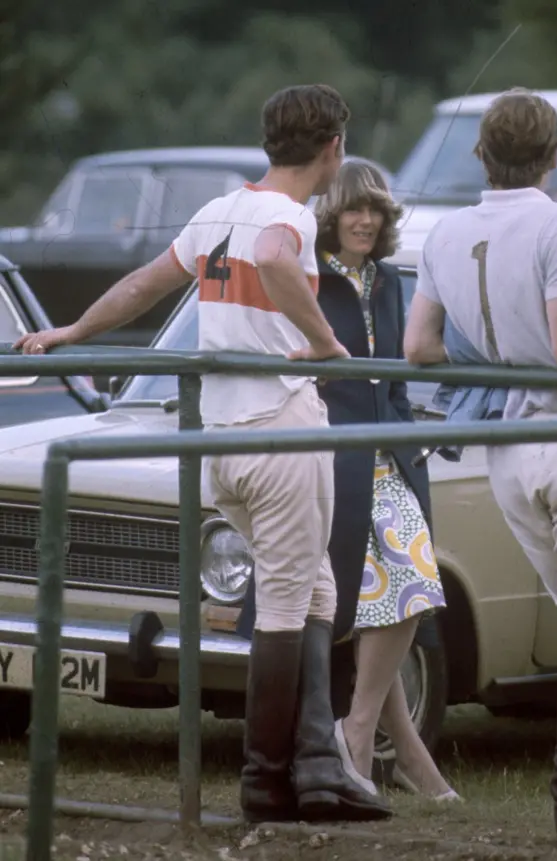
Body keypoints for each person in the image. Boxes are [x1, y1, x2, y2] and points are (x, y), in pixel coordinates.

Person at [14, 84, 390, 825]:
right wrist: (325, 342)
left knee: (313, 589)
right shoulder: (286, 217)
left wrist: (72, 331)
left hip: (223, 438)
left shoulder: (220, 209)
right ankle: (265, 780)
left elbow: (144, 284)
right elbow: (280, 261)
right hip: (280, 427)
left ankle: (317, 770)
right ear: (332, 148)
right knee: (288, 601)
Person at [403, 86, 557, 845]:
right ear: (553, 153)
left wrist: (500, 350)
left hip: (508, 447)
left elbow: (420, 349)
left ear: (482, 152)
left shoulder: (444, 232)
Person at [238, 160, 459, 800]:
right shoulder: (308, 276)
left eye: (376, 210)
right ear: (328, 216)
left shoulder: (390, 283)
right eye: (353, 209)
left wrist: (412, 449)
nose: (366, 221)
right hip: (326, 458)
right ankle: (378, 744)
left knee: (403, 589)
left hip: (389, 457)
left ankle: (363, 736)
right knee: (388, 594)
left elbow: (394, 382)